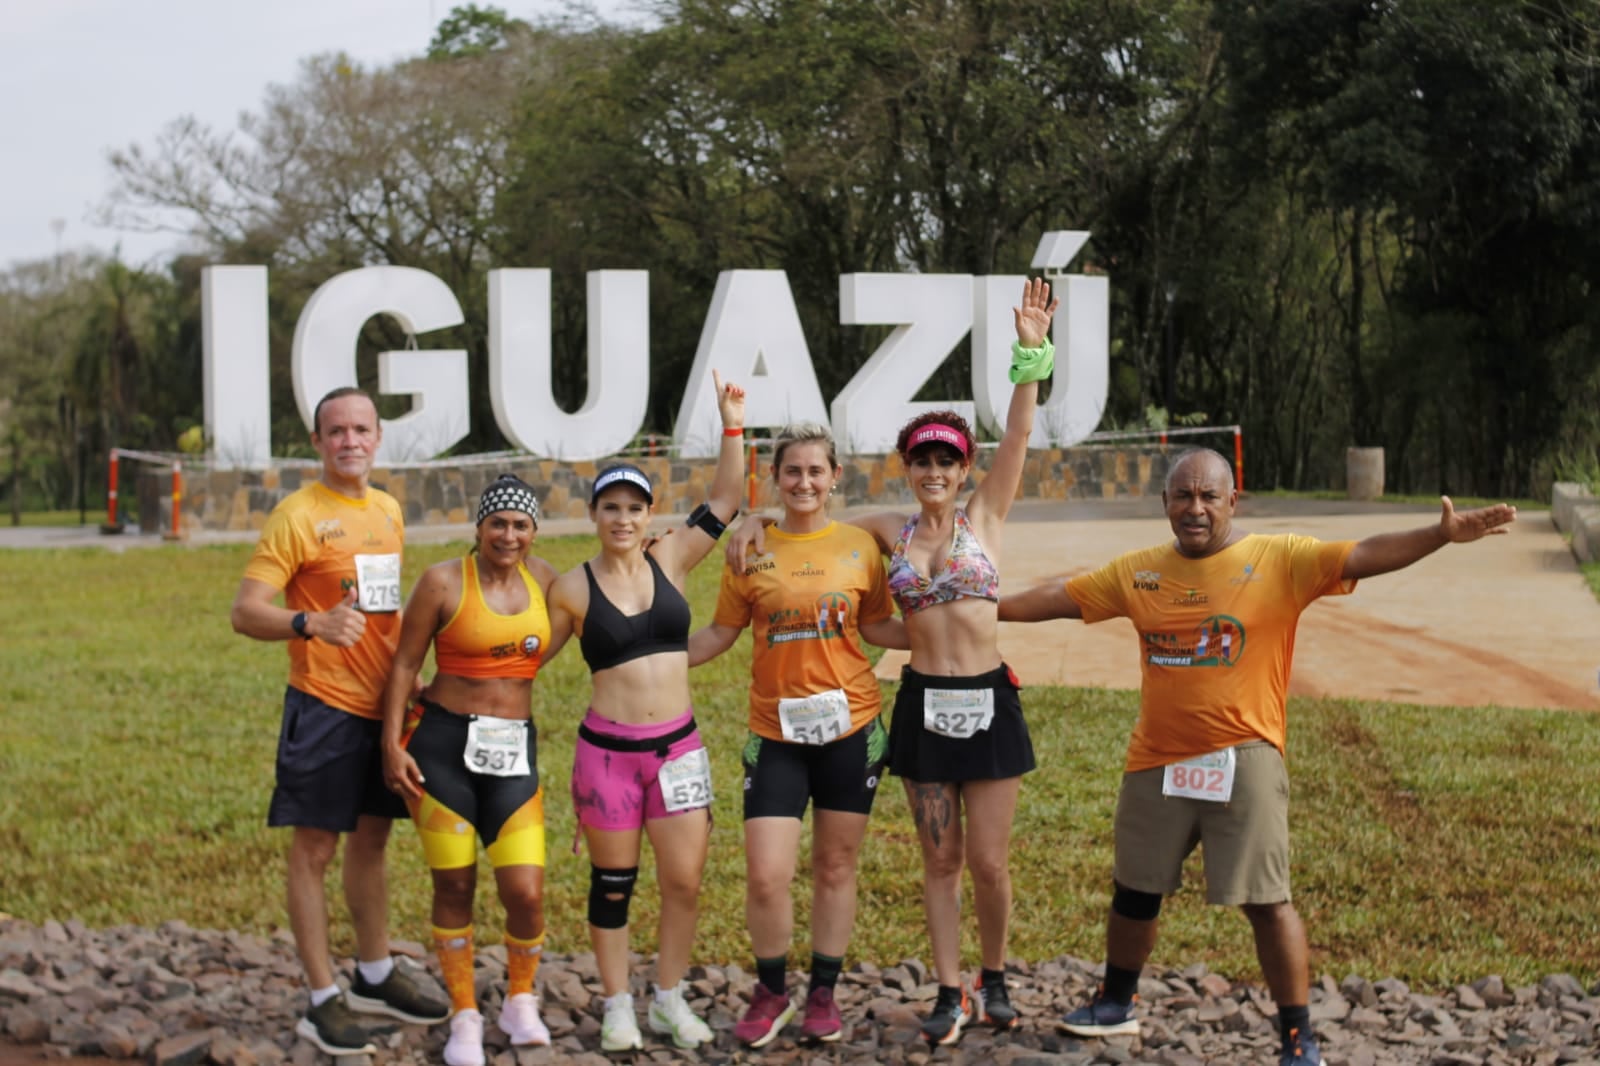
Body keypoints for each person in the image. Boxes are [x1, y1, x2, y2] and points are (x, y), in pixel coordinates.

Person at [998, 447, 1517, 1066]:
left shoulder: (1279, 559)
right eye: (1183, 497)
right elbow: (1062, 595)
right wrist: (983, 606)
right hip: (1156, 761)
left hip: (1245, 757)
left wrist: (1437, 535)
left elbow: (1362, 554)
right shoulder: (1139, 573)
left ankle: (1298, 1034)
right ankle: (1116, 1003)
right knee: (1134, 890)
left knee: (1267, 901)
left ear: (1232, 500)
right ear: (1165, 504)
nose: (1195, 508)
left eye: (1208, 496)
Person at [728, 277, 1060, 1046]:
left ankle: (996, 978)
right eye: (923, 460)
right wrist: (752, 518)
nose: (935, 470)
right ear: (907, 469)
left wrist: (1029, 353)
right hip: (923, 706)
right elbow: (812, 526)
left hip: (988, 700)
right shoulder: (885, 530)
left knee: (989, 862)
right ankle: (949, 989)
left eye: (947, 459)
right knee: (939, 860)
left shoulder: (988, 514)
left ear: (964, 467)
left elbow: (1018, 436)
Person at [230, 386, 449, 1056]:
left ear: (378, 437)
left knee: (374, 841)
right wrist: (309, 623)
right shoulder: (297, 517)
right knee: (315, 851)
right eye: (336, 431)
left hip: (382, 709)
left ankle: (375, 973)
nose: (349, 440)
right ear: (318, 442)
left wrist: (413, 683)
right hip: (322, 706)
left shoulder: (386, 509)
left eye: (360, 428)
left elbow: (385, 610)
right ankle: (322, 1000)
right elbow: (245, 610)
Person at [538, 370, 747, 1053]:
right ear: (594, 517)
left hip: (678, 750)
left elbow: (725, 499)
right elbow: (525, 657)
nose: (622, 519)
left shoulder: (673, 559)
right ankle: (617, 1003)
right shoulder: (571, 588)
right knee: (614, 883)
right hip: (608, 756)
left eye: (634, 508)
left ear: (648, 516)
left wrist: (732, 422)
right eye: (610, 509)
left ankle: (667, 997)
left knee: (683, 881)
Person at [688, 422, 909, 1049]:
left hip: (853, 729)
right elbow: (717, 635)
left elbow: (880, 628)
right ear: (775, 479)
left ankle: (823, 993)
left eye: (816, 471)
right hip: (776, 734)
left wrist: (950, 634)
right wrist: (647, 655)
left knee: (836, 865)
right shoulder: (748, 549)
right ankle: (771, 990)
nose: (805, 482)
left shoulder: (861, 548)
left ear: (835, 477)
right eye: (793, 471)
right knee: (766, 873)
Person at [379, 475, 559, 1066]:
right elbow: (406, 663)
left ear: (535, 532)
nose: (509, 535)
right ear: (479, 527)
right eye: (498, 524)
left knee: (525, 892)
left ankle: (520, 999)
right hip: (440, 746)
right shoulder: (442, 582)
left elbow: (612, 587)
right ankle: (464, 1014)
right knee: (454, 884)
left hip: (513, 752)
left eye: (521, 525)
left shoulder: (550, 584)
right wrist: (390, 744)